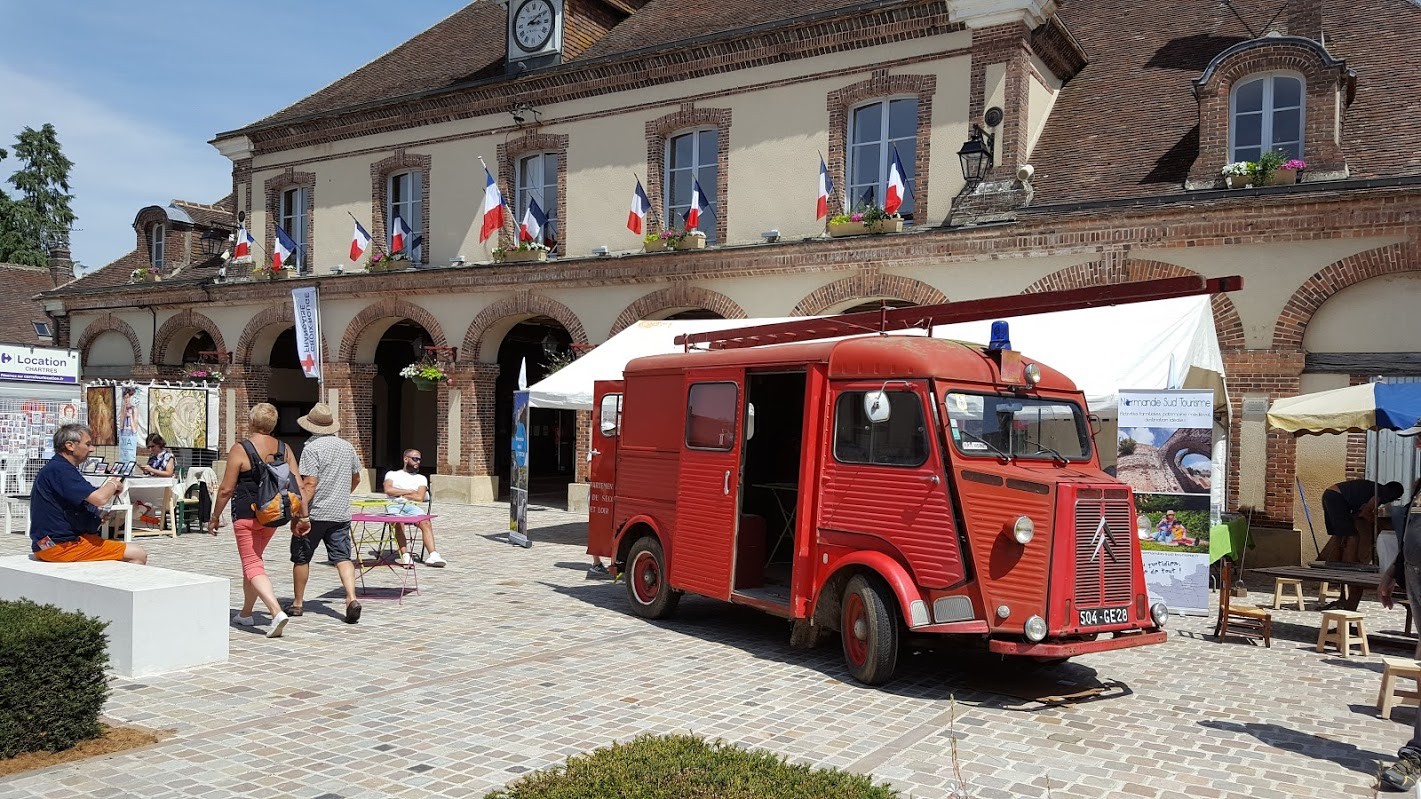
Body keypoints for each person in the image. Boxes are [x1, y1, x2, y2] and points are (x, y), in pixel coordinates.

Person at [209, 404, 296, 638]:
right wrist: (302, 515)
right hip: (271, 515)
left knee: (251, 564)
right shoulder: (284, 448)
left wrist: (215, 517)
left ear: (251, 422)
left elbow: (226, 489)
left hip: (246, 514)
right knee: (254, 562)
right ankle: (246, 613)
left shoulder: (241, 448)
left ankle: (276, 611)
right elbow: (296, 482)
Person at [287, 402, 363, 624]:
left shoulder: (311, 448)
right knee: (342, 557)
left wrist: (300, 514)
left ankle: (298, 603)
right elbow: (356, 477)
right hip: (340, 513)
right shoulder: (347, 447)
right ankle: (351, 598)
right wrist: (341, 493)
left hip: (315, 513)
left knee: (302, 557)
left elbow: (309, 484)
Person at [29, 423, 147, 564]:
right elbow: (99, 498)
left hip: (46, 544)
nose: (92, 449)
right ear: (70, 446)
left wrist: (96, 518)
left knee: (112, 546)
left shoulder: (56, 468)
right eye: (88, 444)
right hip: (60, 547)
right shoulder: (61, 470)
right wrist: (113, 482)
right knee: (138, 554)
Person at [1378, 488, 1421, 790]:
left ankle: (1417, 754)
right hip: (1415, 575)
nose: (1417, 444)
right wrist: (1393, 571)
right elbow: (1411, 531)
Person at [1320, 479, 1404, 609]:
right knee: (1354, 536)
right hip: (1337, 497)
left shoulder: (1373, 488)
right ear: (1393, 494)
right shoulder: (1381, 492)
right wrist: (1376, 523)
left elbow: (1360, 511)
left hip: (1330, 494)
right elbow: (1366, 513)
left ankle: (1336, 562)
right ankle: (1349, 562)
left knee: (1340, 535)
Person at [382, 448, 445, 567]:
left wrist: (399, 492)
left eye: (420, 459)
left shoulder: (421, 478)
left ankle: (433, 555)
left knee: (425, 521)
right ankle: (405, 556)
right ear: (406, 459)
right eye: (415, 459)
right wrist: (409, 491)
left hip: (411, 506)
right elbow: (388, 490)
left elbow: (419, 497)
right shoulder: (392, 474)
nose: (418, 462)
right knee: (398, 522)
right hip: (394, 504)